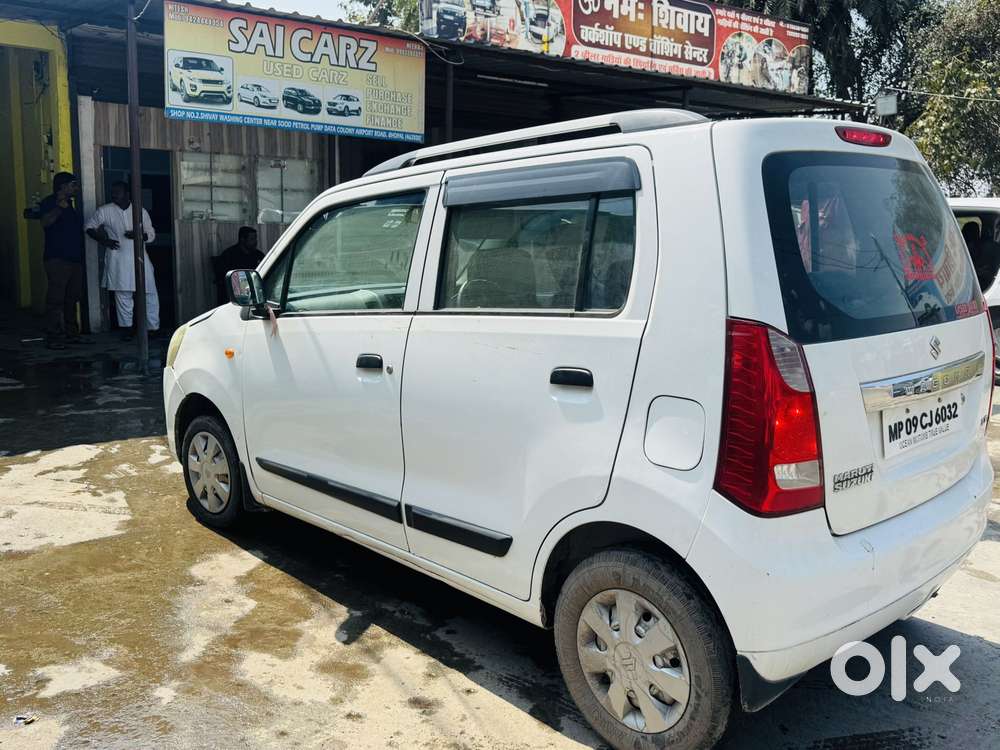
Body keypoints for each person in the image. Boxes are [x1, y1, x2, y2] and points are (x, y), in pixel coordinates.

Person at [85, 181, 158, 339]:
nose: (113, 195)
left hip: (140, 258)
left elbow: (151, 234)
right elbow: (89, 227)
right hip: (118, 259)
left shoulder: (140, 210)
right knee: (123, 295)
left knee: (149, 293)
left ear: (127, 194)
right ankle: (126, 329)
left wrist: (138, 235)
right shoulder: (105, 211)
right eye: (113, 192)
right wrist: (104, 241)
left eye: (117, 192)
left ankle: (153, 328)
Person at [39, 172, 84, 348]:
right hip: (57, 259)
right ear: (62, 186)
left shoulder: (72, 205)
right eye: (73, 184)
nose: (76, 188)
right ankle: (53, 336)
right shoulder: (49, 202)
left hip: (74, 260)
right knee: (56, 299)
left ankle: (72, 334)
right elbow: (45, 223)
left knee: (72, 297)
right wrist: (59, 207)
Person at [212, 226, 264, 305]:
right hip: (234, 295)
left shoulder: (258, 255)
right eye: (252, 239)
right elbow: (223, 278)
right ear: (242, 240)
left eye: (256, 239)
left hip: (255, 292)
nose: (255, 242)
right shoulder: (229, 255)